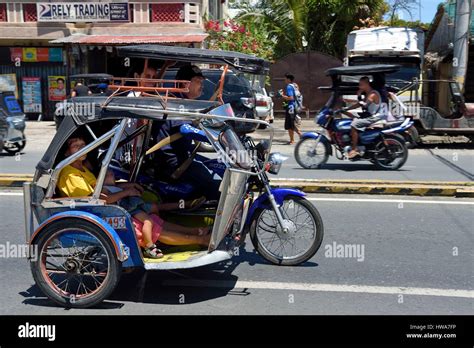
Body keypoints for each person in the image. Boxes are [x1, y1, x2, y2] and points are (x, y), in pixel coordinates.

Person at [57, 137, 211, 259]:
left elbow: (103, 187)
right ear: (66, 153)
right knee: (153, 226)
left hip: (111, 205)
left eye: (83, 145)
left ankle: (197, 232)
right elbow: (98, 198)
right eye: (76, 147)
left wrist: (128, 186)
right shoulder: (70, 173)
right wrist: (126, 192)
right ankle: (199, 240)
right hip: (100, 210)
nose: (81, 149)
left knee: (155, 220)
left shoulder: (83, 169)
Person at [152, 64, 221, 200]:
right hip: (173, 164)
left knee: (217, 166)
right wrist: (216, 138)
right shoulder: (176, 101)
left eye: (201, 82)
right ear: (185, 83)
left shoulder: (182, 101)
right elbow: (185, 129)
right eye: (198, 81)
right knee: (213, 186)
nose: (201, 85)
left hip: (183, 158)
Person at [341, 76, 389, 159]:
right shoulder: (368, 93)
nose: (359, 86)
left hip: (375, 117)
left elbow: (365, 105)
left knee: (354, 124)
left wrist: (359, 96)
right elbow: (359, 104)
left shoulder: (372, 94)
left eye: (361, 84)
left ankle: (354, 149)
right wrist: (346, 109)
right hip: (370, 116)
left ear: (367, 84)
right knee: (350, 118)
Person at [281, 73, 302, 144]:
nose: (284, 80)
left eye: (285, 78)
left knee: (290, 125)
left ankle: (292, 140)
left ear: (288, 79)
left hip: (291, 107)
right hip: (295, 107)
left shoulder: (289, 87)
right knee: (293, 123)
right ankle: (301, 136)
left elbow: (291, 97)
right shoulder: (295, 85)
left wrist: (283, 96)